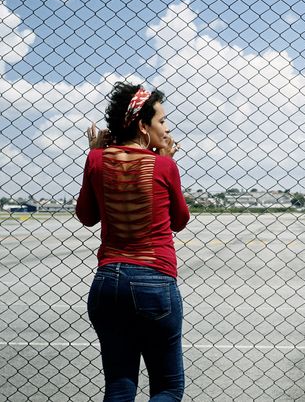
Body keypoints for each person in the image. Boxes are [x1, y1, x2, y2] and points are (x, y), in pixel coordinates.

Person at [76, 81, 190, 401]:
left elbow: (87, 216)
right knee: (168, 387)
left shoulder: (97, 160)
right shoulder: (163, 164)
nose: (167, 128)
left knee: (120, 384)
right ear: (143, 126)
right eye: (162, 121)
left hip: (108, 281)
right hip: (154, 280)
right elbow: (179, 221)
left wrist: (95, 153)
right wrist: (167, 160)